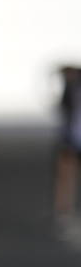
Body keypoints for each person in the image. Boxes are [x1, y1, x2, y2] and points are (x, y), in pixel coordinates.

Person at [54, 65, 81, 244]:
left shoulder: (72, 89)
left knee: (66, 177)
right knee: (66, 176)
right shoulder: (70, 90)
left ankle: (65, 211)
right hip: (72, 140)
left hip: (72, 138)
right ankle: (64, 211)